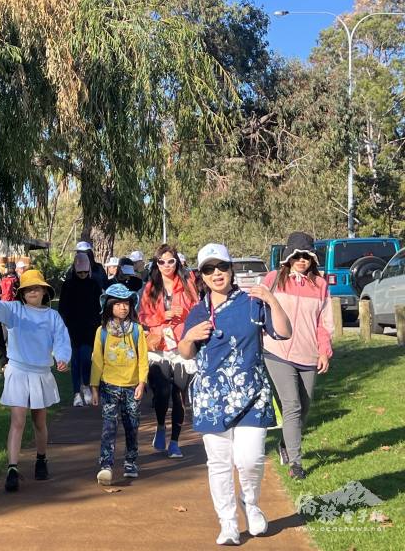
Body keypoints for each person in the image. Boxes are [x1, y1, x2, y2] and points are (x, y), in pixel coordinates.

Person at [179, 243, 291, 545]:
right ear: (201, 275)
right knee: (219, 463)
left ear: (232, 270)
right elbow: (186, 352)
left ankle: (250, 503)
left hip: (252, 393)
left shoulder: (252, 302)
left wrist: (272, 300)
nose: (217, 274)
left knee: (251, 459)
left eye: (222, 267)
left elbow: (284, 332)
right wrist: (189, 336)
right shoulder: (199, 310)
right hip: (211, 398)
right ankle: (227, 522)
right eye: (209, 269)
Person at [0, 269, 71, 492]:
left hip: (41, 372)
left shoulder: (52, 316)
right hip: (18, 371)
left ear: (45, 291)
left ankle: (41, 459)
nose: (33, 291)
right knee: (18, 420)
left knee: (39, 421)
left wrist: (62, 358)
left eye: (37, 287)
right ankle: (12, 468)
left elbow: (61, 339)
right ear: (22, 293)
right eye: (28, 288)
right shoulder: (15, 311)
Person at [263, 232, 333, 481]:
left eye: (307, 256)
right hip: (276, 352)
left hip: (308, 353)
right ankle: (296, 464)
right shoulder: (273, 279)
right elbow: (256, 305)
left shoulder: (321, 285)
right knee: (291, 406)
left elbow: (324, 322)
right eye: (297, 255)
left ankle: (284, 444)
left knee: (304, 407)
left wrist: (324, 350)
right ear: (289, 257)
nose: (302, 260)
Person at [138, 244, 199, 458]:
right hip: (159, 346)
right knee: (162, 392)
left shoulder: (188, 284)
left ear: (177, 262)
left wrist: (185, 313)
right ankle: (161, 426)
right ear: (156, 263)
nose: (166, 265)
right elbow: (143, 317)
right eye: (161, 261)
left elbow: (197, 311)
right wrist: (164, 315)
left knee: (179, 394)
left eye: (170, 261)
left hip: (182, 344)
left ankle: (175, 442)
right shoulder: (150, 287)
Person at [90, 284, 149, 485]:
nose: (123, 308)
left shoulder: (137, 330)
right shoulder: (102, 331)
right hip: (109, 385)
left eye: (126, 304)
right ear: (109, 306)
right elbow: (97, 360)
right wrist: (94, 387)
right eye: (118, 304)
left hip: (132, 386)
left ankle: (131, 461)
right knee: (109, 426)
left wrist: (142, 383)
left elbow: (143, 359)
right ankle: (106, 465)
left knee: (131, 425)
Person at [58, 252, 102, 406]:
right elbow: (63, 307)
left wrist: (97, 324)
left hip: (90, 329)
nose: (82, 274)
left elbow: (99, 307)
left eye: (85, 271)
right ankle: (76, 392)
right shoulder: (68, 285)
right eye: (79, 272)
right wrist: (65, 324)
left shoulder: (94, 285)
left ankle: (86, 386)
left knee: (85, 359)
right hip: (73, 328)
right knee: (75, 361)